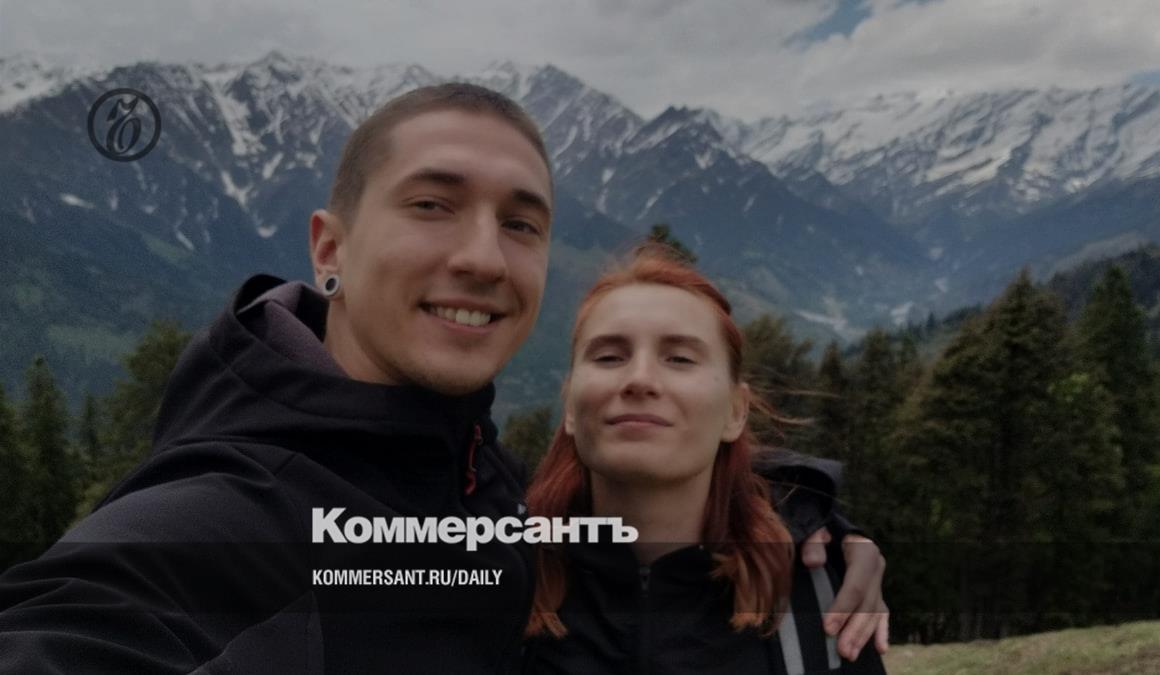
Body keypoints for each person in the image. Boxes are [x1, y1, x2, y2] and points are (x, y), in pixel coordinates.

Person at [0, 84, 886, 673]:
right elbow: (84, 620)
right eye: (432, 205)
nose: (483, 258)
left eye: (521, 224)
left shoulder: (487, 495)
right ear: (329, 248)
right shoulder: (232, 516)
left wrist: (808, 521)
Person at [520, 249, 887, 674]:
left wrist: (817, 518)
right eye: (609, 357)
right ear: (569, 406)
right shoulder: (501, 581)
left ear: (736, 411)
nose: (640, 379)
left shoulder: (818, 597)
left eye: (680, 358)